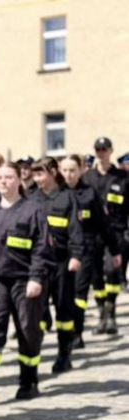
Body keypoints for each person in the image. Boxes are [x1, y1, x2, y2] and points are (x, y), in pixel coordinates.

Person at [0, 162, 52, 399]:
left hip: (24, 281)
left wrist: (36, 278)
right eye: (0, 177)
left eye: (9, 177)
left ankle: (29, 380)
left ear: (19, 179)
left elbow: (42, 247)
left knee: (28, 330)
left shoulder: (33, 210)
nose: (4, 181)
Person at [60, 155, 122, 347]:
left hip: (86, 250)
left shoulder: (90, 194)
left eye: (72, 170)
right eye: (65, 170)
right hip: (60, 251)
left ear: (81, 171)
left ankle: (77, 333)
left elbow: (104, 225)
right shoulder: (55, 194)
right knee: (64, 294)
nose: (68, 175)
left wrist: (114, 249)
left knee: (80, 292)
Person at [29, 157, 83, 372]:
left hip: (61, 262)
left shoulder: (67, 198)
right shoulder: (31, 199)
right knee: (37, 310)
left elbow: (76, 230)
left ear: (52, 172)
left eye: (40, 174)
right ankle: (35, 349)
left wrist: (76, 256)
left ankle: (64, 353)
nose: (37, 179)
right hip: (39, 264)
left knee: (63, 308)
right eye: (34, 174)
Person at [82, 137, 129, 334]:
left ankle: (111, 311)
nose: (101, 153)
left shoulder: (122, 177)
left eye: (104, 149)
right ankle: (102, 313)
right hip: (92, 233)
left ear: (111, 151)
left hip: (116, 231)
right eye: (98, 149)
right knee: (95, 275)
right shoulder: (88, 178)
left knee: (111, 270)